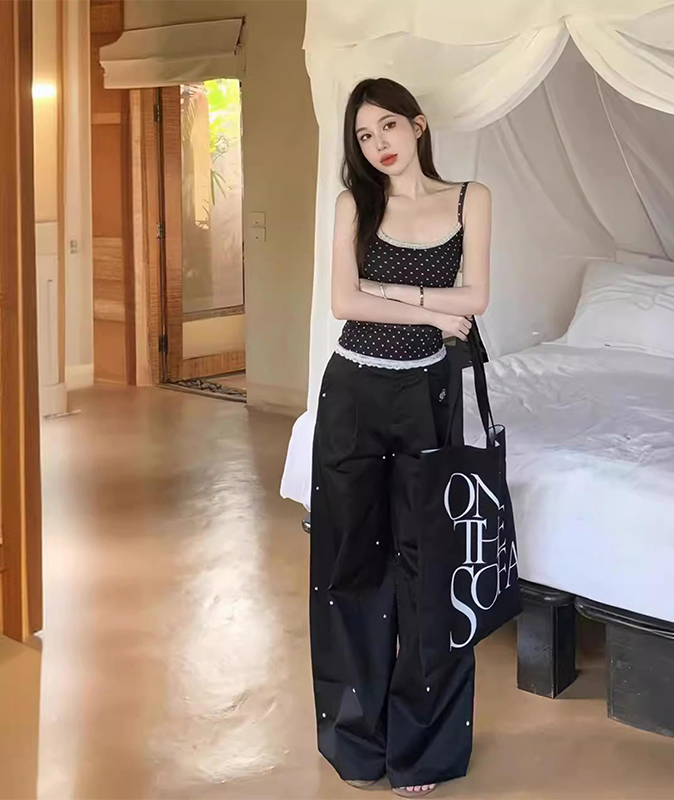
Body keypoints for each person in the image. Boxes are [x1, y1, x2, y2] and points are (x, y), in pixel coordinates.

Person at [309, 77, 492, 798]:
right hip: (353, 394)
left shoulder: (470, 199)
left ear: (417, 125)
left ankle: (423, 750)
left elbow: (476, 298)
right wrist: (431, 312)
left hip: (427, 397)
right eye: (364, 135)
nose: (378, 144)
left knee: (430, 569)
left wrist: (391, 295)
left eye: (388, 126)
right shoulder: (354, 204)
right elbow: (342, 302)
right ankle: (359, 744)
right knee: (350, 567)